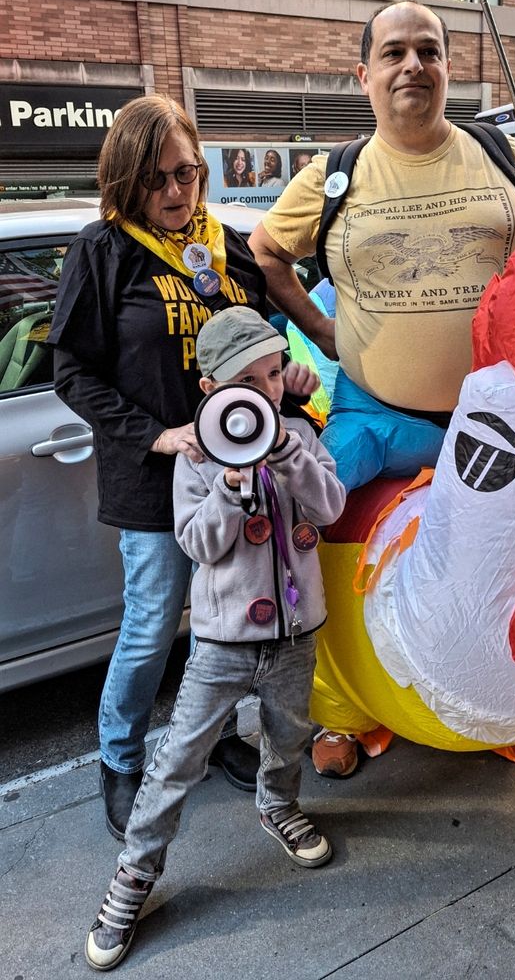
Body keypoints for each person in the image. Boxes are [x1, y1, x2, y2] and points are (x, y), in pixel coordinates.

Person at [249, 0, 515, 776]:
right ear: (364, 73)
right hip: (378, 413)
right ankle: (338, 705)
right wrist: (327, 329)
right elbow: (266, 253)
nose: (415, 65)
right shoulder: (333, 175)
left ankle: (512, 695)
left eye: (430, 51)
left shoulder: (499, 153)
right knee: (318, 516)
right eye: (396, 52)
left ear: (447, 67)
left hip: (498, 417)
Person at [48, 94, 319, 839]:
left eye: (188, 173)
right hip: (155, 481)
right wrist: (158, 436)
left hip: (244, 475)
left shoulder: (228, 248)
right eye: (158, 178)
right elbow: (73, 372)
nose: (175, 192)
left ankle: (217, 738)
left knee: (222, 627)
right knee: (150, 626)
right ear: (127, 181)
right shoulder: (103, 251)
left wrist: (288, 377)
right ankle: (122, 757)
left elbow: (265, 347)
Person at [84, 306, 346, 972]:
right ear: (212, 392)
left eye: (271, 375)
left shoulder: (296, 436)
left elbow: (331, 506)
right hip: (223, 643)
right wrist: (230, 490)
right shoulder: (199, 458)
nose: (263, 392)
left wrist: (289, 454)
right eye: (245, 383)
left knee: (289, 734)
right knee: (177, 760)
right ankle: (134, 875)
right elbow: (196, 542)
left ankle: (277, 805)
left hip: (294, 634)